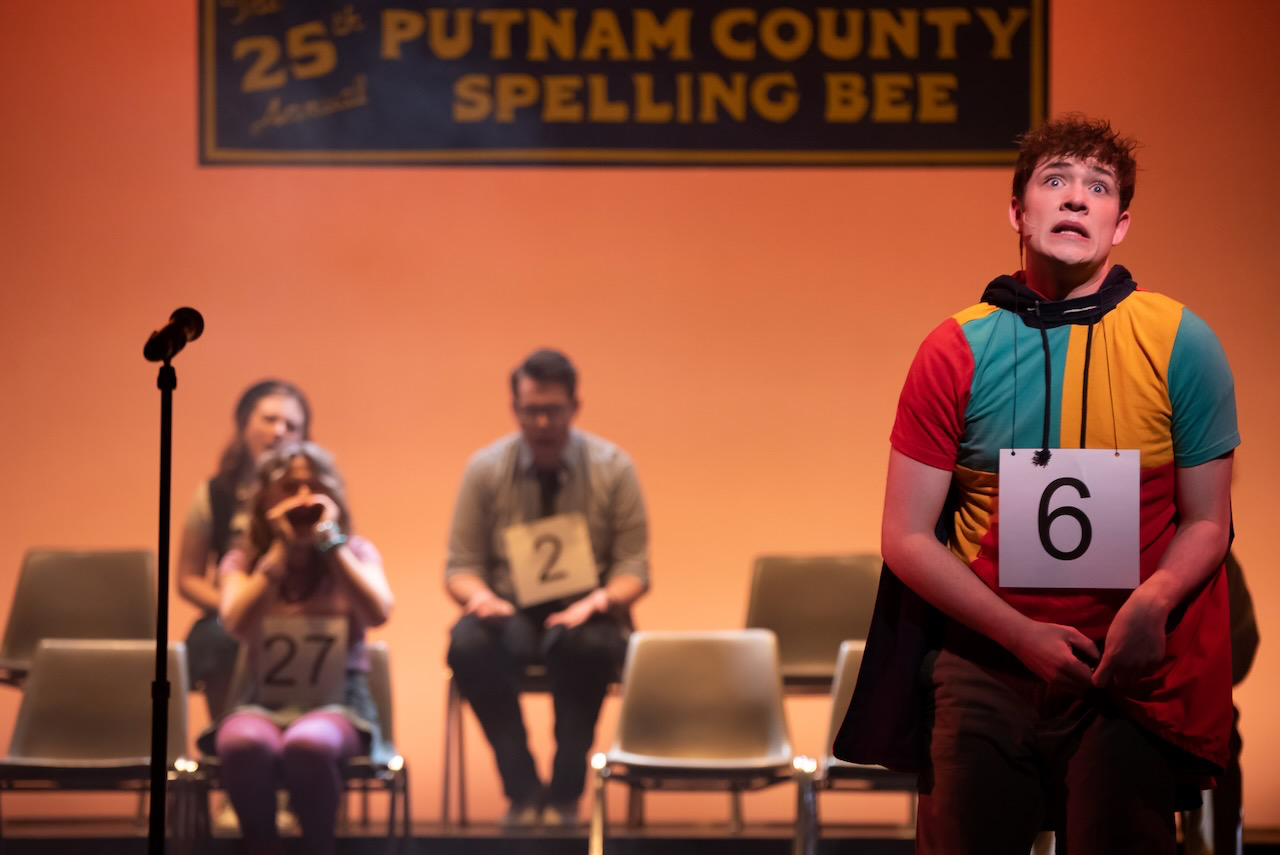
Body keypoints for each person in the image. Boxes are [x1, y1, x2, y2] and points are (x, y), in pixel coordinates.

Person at [835, 115, 1238, 854]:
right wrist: (1019, 636)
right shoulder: (953, 349)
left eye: (1097, 188)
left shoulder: (1184, 341)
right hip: (984, 668)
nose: (1076, 200)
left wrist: (1152, 603)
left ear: (1121, 224)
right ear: (1017, 212)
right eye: (1055, 182)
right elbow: (904, 536)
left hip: (1125, 674)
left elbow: (1209, 520)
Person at [445, 348, 650, 827]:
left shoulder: (614, 468)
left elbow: (634, 569)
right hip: (507, 609)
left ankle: (564, 794)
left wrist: (600, 599)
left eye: (553, 410)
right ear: (515, 408)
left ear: (574, 407)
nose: (541, 422)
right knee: (468, 645)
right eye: (531, 410)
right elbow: (460, 566)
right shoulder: (484, 469)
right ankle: (520, 789)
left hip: (587, 610)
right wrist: (481, 598)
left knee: (589, 645)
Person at [199, 441, 394, 855]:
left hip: (340, 703)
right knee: (240, 744)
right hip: (262, 701)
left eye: (313, 487)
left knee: (308, 744)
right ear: (266, 499)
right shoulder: (243, 561)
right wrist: (281, 551)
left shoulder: (356, 552)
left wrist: (331, 544)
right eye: (289, 488)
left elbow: (378, 612)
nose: (302, 499)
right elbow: (234, 621)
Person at [177, 380, 311, 721]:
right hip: (232, 612)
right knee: (220, 637)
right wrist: (235, 607)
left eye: (291, 425)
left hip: (299, 613)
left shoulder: (313, 493)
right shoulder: (213, 494)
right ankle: (225, 740)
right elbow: (188, 579)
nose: (279, 431)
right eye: (269, 419)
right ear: (244, 424)